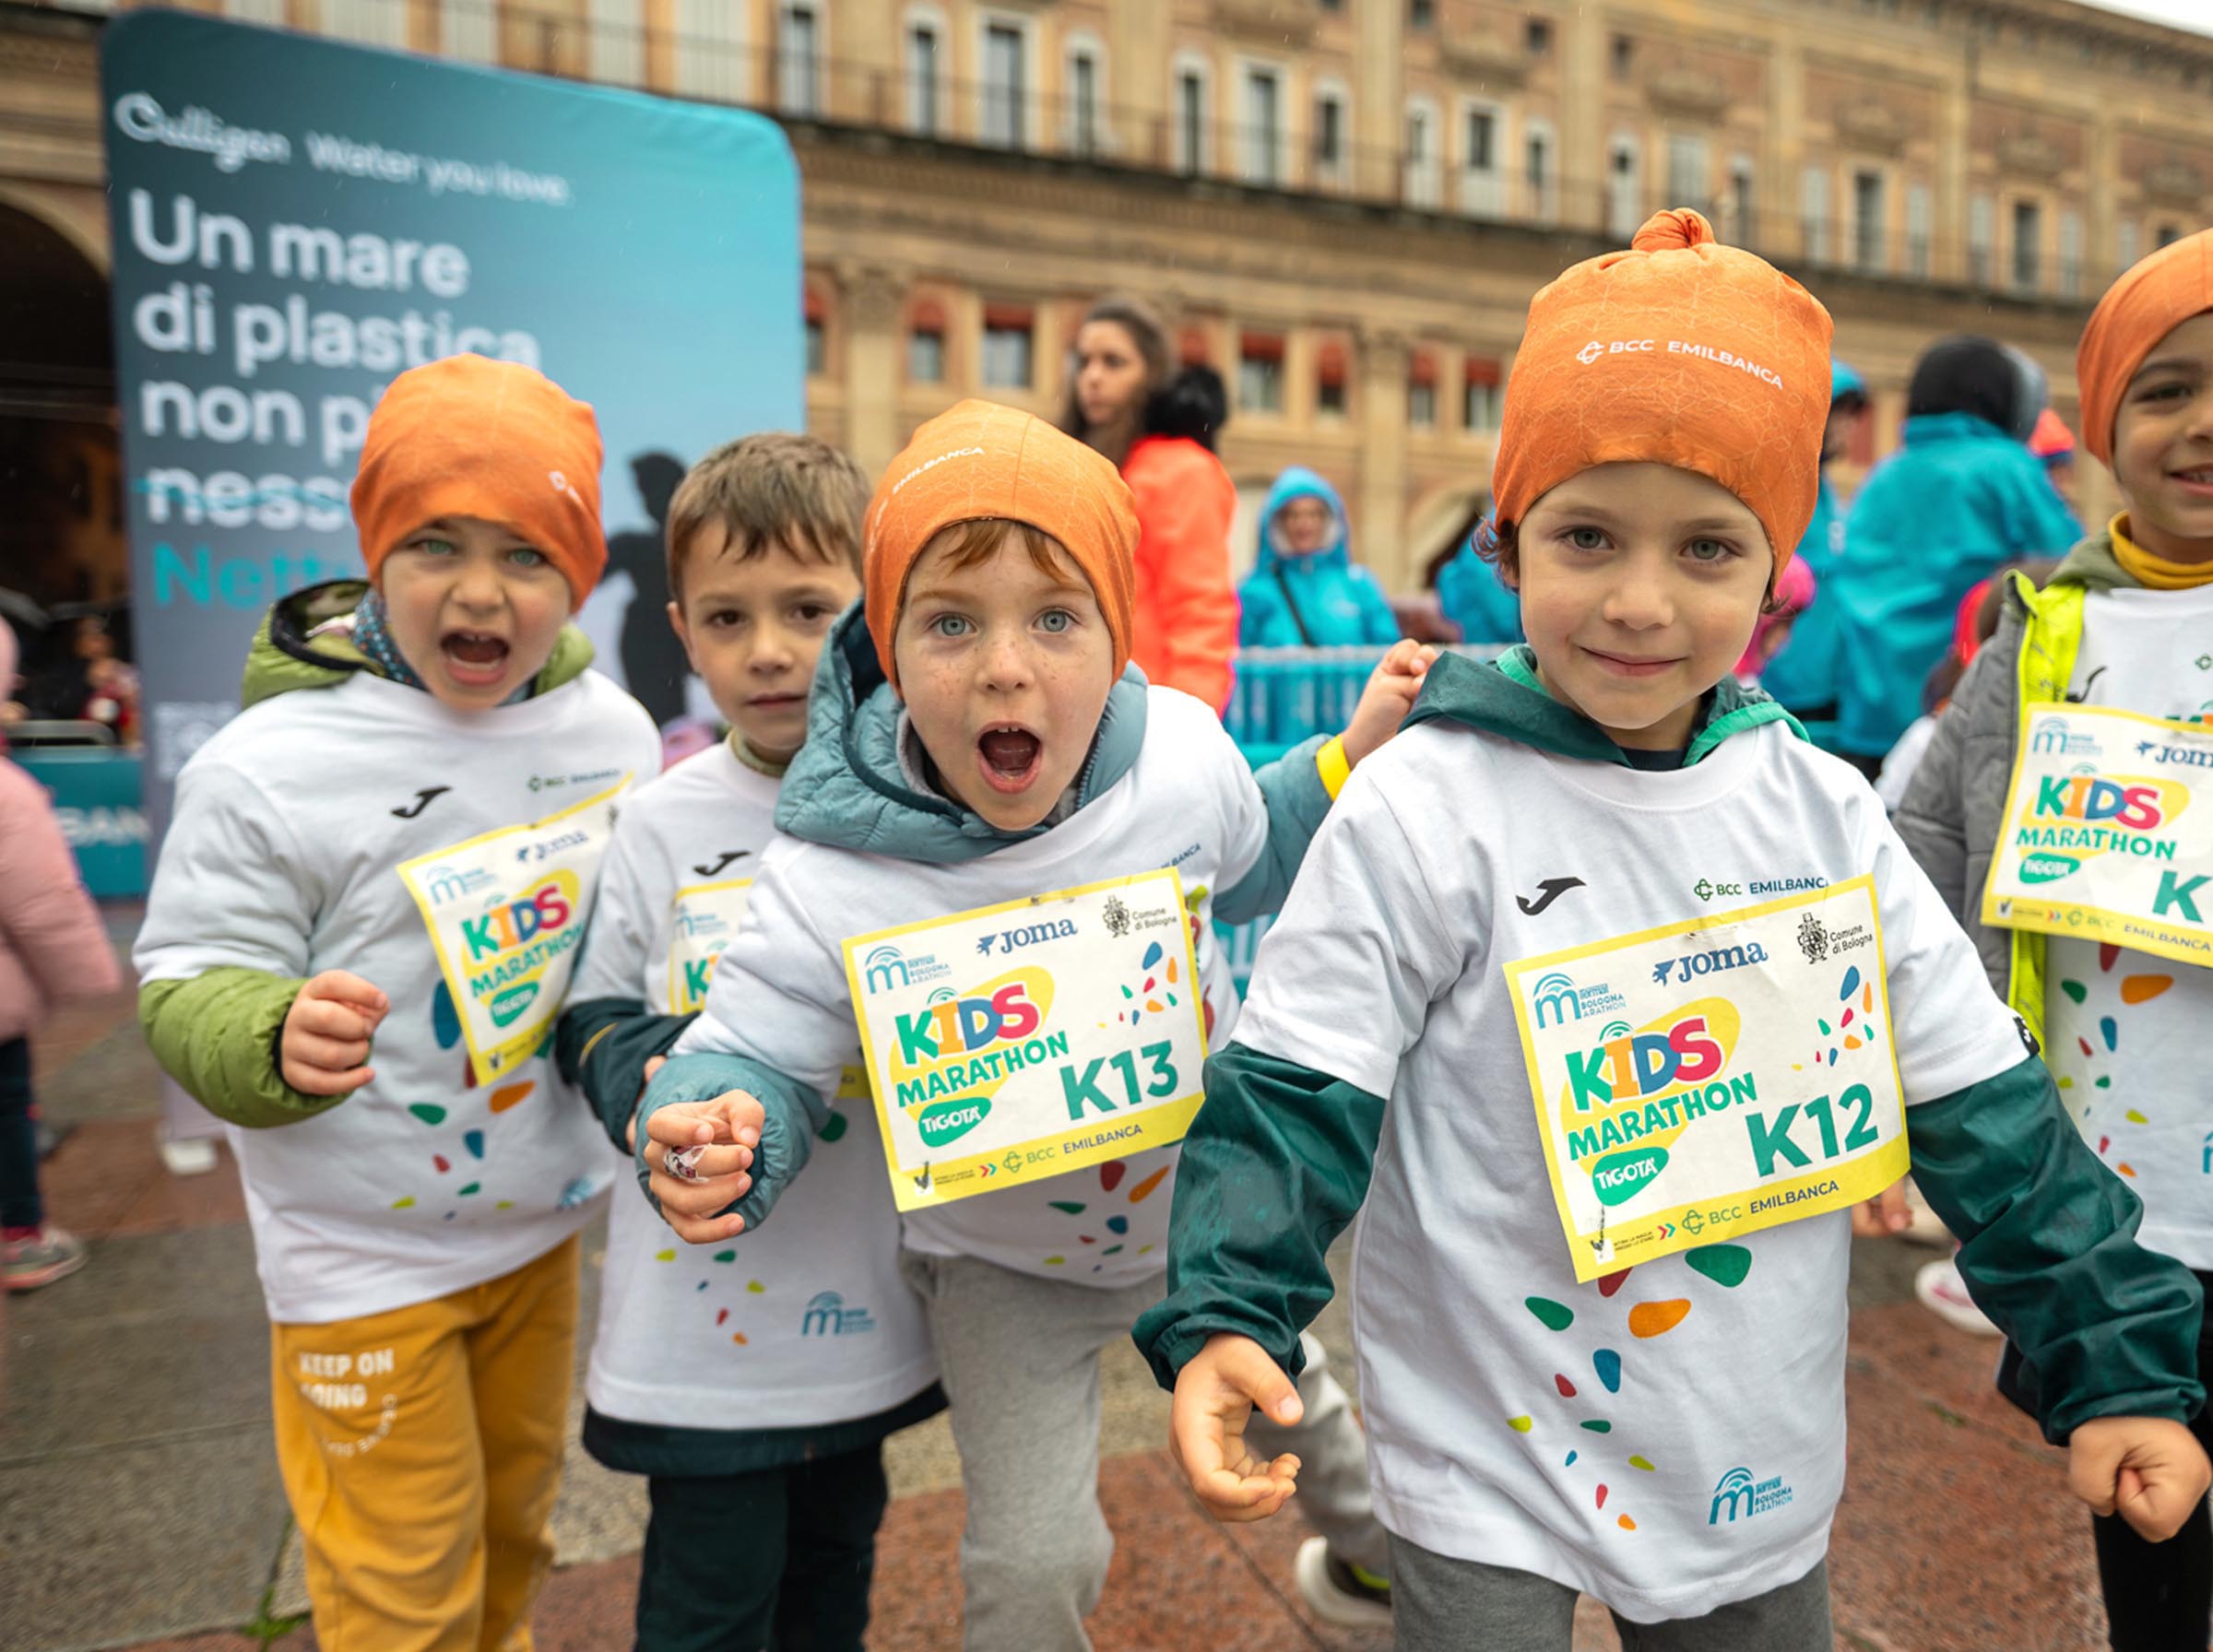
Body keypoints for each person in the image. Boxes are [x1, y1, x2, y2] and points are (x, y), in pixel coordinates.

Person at [1131, 210, 2210, 1652]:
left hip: (1742, 1434)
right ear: (1509, 546)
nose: (1640, 603)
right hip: (1477, 1436)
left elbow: (1988, 1113)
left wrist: (2116, 1362)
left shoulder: (1823, 815)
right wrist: (1228, 1312)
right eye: (1588, 535)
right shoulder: (1421, 806)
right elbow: (1295, 1092)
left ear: (1773, 579)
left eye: (1706, 546)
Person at [630, 400, 1429, 1651]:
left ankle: (1373, 1567)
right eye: (952, 621)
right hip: (999, 1266)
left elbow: (1256, 849)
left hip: (1195, 1225)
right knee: (1032, 1559)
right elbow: (761, 1040)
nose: (1006, 667)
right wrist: (724, 1120)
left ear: (1118, 639)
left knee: (1317, 1431)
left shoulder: (1176, 755)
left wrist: (1345, 761)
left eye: (1055, 617)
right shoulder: (832, 863)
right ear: (886, 648)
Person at [133, 357, 662, 1651]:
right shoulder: (269, 767)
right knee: (398, 1591)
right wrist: (265, 1033)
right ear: (375, 553)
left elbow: (628, 950)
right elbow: (186, 971)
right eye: (434, 544)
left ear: (579, 576)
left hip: (540, 1230)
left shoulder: (614, 732)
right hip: (356, 1252)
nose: (481, 591)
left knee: (516, 1538)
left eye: (529, 555)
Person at [554, 433, 943, 1650]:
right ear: (681, 629)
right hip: (701, 1316)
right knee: (708, 1607)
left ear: (874, 613)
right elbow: (591, 1011)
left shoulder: (932, 815)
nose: (769, 649)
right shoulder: (660, 823)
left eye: (810, 609)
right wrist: (648, 1083)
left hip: (863, 1300)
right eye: (728, 616)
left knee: (834, 1577)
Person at [1897, 227, 2213, 1652]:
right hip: (2102, 1191)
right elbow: (1922, 848)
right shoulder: (2042, 628)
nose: (2203, 424)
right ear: (2097, 429)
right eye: (2164, 392)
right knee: (2142, 1503)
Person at [1828, 335, 2082, 768]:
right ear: (2004, 400)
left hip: (1867, 711)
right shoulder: (2007, 467)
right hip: (1955, 709)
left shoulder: (1888, 470)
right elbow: (2075, 564)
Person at [0, 616, 120, 1291]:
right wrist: (88, 977)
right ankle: (20, 1236)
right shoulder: (7, 793)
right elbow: (41, 902)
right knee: (8, 1107)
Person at [1063, 297, 1239, 711]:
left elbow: (1202, 613)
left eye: (1113, 362)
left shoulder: (1183, 469)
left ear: (1152, 374)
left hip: (1144, 710)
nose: (1092, 377)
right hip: (1074, 707)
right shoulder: (1080, 463)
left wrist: (1184, 722)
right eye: (1084, 361)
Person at [1757, 360, 1867, 721]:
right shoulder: (1774, 484)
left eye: (1854, 417)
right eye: (1840, 414)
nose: (1849, 428)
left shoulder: (1825, 489)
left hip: (1823, 687)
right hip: (1772, 684)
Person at [1238, 467, 1402, 648]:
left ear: (1329, 520)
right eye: (1294, 515)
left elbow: (1388, 651)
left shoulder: (1358, 585)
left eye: (1314, 514)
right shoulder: (1254, 591)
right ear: (1277, 523)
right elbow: (1239, 657)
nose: (1305, 524)